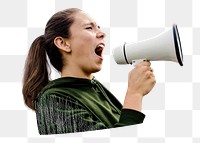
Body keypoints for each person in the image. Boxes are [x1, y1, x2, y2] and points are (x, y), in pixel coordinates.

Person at [22, 8, 156, 135]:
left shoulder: (95, 89)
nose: (102, 34)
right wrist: (134, 94)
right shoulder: (54, 99)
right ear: (63, 43)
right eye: (89, 28)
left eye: (99, 28)